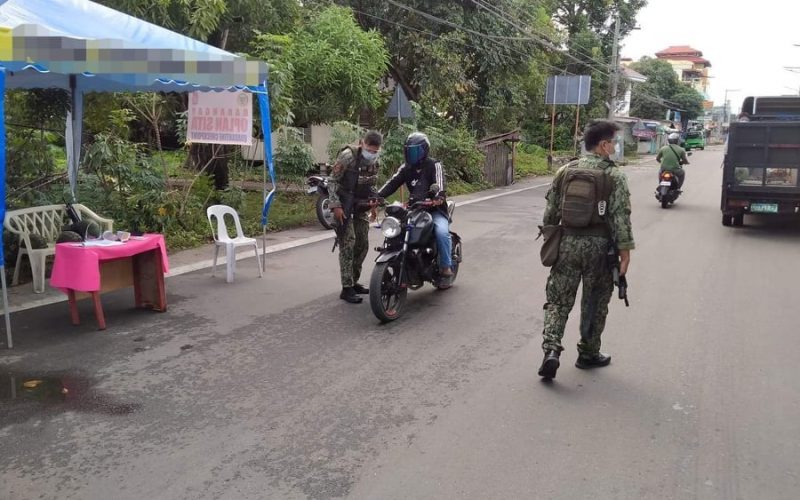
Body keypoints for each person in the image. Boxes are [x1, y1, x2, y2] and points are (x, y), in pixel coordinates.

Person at [538, 120, 635, 380]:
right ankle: (588, 353)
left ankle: (551, 350)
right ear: (603, 145)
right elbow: (620, 217)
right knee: (594, 302)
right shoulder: (614, 175)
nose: (615, 146)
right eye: (614, 142)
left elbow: (550, 213)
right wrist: (625, 251)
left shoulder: (565, 171)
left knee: (558, 301)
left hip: (567, 245)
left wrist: (553, 240)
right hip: (600, 249)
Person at [377, 132, 454, 288]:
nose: (411, 154)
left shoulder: (434, 165)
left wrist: (438, 197)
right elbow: (392, 183)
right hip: (414, 209)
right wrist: (377, 196)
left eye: (415, 151)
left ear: (424, 150)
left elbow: (440, 185)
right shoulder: (406, 168)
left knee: (441, 233)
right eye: (409, 151)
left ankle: (446, 267)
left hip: (435, 209)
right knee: (399, 231)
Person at [328, 130, 383, 304]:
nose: (371, 154)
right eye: (369, 150)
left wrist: (374, 203)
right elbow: (332, 181)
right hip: (343, 204)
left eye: (375, 151)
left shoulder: (375, 161)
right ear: (362, 143)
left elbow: (372, 184)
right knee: (348, 243)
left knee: (362, 244)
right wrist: (336, 205)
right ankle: (346, 288)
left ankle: (353, 281)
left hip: (360, 205)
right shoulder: (347, 156)